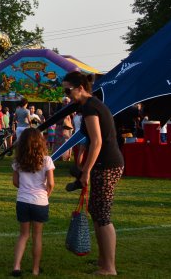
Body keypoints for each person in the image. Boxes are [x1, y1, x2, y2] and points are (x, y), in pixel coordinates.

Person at [62, 71, 123, 275]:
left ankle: (109, 267)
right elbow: (90, 140)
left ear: (80, 88)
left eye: (67, 89)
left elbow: (97, 142)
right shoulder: (91, 105)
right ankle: (103, 261)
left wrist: (86, 171)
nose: (66, 94)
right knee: (97, 214)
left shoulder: (89, 107)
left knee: (103, 216)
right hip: (104, 164)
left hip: (107, 165)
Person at [10, 128, 55, 277]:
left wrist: (24, 187)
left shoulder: (18, 161)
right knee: (37, 236)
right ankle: (35, 269)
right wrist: (46, 195)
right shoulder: (46, 160)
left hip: (22, 200)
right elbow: (51, 183)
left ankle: (16, 266)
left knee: (23, 235)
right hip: (40, 201)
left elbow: (15, 182)